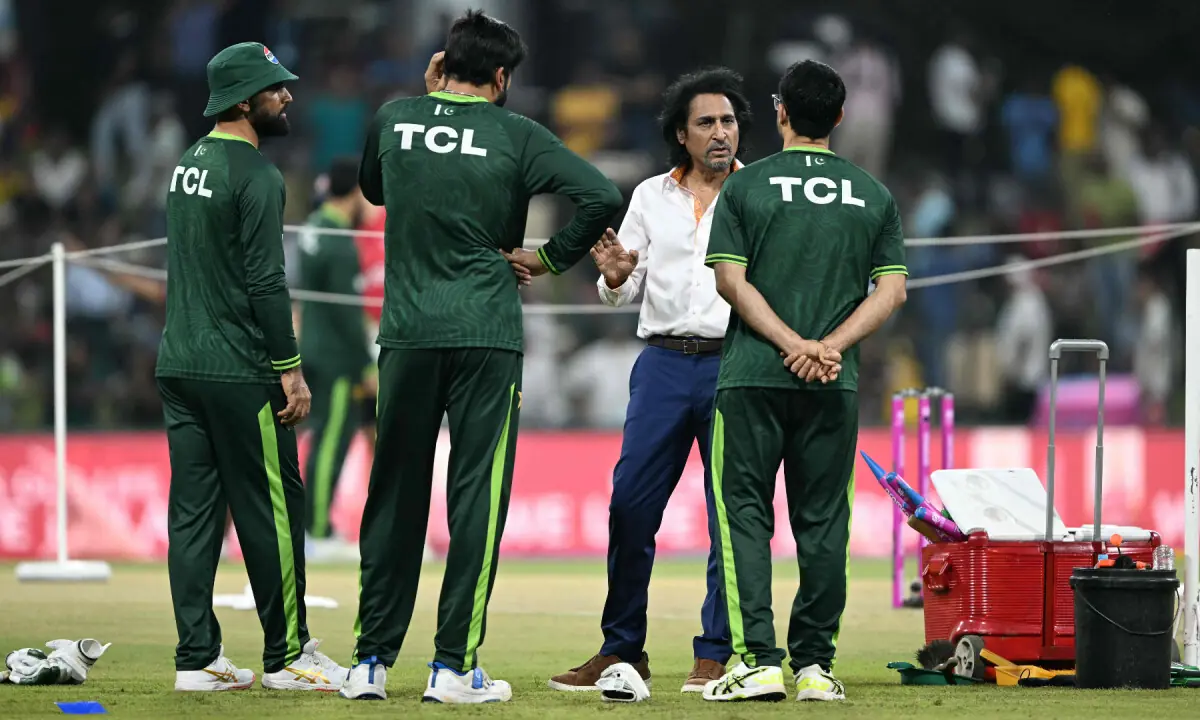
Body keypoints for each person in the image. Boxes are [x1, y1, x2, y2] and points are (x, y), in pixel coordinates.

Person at [341, 11, 623, 704]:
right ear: (500, 78)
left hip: (406, 333)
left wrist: (422, 95)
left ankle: (369, 664)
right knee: (476, 501)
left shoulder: (394, 118)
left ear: (443, 64)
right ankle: (450, 668)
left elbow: (376, 190)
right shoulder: (516, 133)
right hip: (487, 336)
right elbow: (599, 194)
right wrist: (549, 257)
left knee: (393, 498)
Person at [699, 60, 908, 703]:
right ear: (840, 118)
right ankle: (815, 667)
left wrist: (791, 344)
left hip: (754, 376)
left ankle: (757, 661)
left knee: (744, 518)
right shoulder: (873, 194)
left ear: (781, 112)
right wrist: (828, 347)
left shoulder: (746, 187)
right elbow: (892, 292)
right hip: (831, 384)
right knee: (824, 523)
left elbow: (730, 281)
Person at [547, 67, 750, 694]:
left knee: (728, 516)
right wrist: (612, 275)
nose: (721, 133)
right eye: (707, 123)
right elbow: (623, 288)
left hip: (734, 362)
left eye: (729, 121)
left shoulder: (759, 194)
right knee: (630, 506)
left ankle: (714, 653)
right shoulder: (647, 197)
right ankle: (621, 651)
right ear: (681, 135)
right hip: (661, 363)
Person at [155, 42, 346, 692]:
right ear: (244, 99)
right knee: (272, 512)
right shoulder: (258, 174)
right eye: (274, 87)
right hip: (239, 370)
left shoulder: (187, 164)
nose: (287, 95)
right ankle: (288, 654)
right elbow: (266, 280)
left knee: (193, 516)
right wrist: (289, 369)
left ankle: (197, 660)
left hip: (179, 362)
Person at [296, 156, 373, 563]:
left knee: (321, 437)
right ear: (356, 193)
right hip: (339, 358)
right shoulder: (339, 239)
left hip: (313, 349)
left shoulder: (311, 228)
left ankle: (314, 527)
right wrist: (365, 363)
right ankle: (318, 530)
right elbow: (346, 311)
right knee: (331, 441)